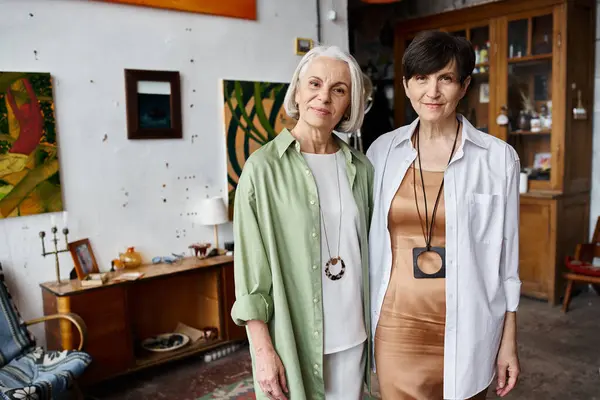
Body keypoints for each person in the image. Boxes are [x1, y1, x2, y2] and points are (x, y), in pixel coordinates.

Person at [367, 30, 521, 400]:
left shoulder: (498, 158)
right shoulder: (381, 152)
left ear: (464, 86)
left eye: (445, 78)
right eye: (421, 78)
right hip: (396, 324)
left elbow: (507, 262)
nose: (432, 92)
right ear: (405, 85)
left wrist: (508, 342)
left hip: (468, 323)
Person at [231, 45, 374, 400]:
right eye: (314, 84)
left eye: (338, 90)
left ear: (348, 104)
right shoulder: (262, 169)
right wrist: (262, 351)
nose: (323, 97)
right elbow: (251, 274)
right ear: (297, 90)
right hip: (293, 339)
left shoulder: (362, 168)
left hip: (354, 333)